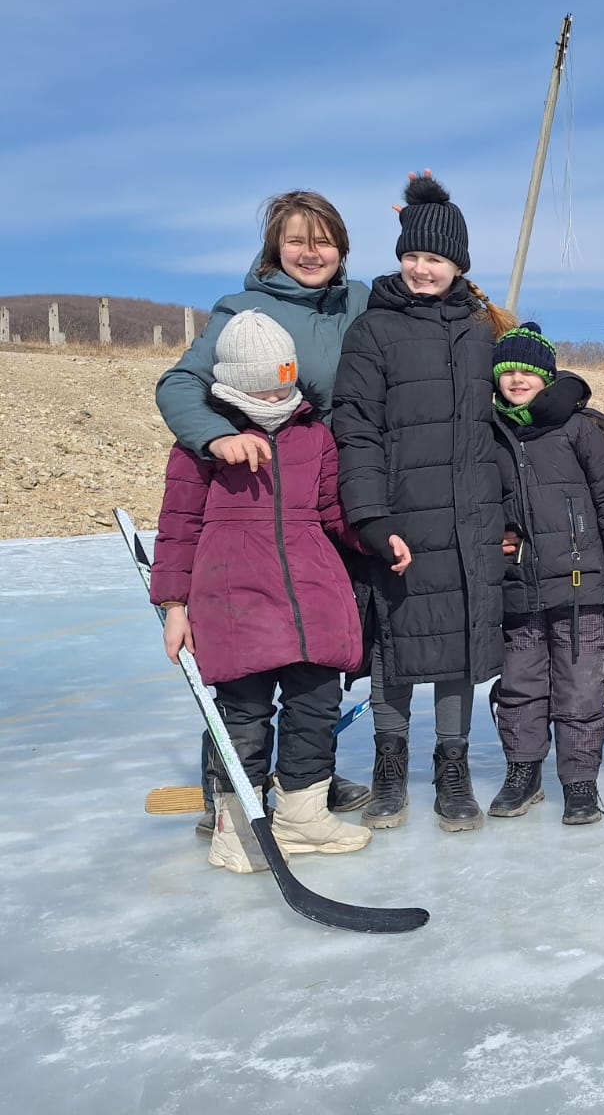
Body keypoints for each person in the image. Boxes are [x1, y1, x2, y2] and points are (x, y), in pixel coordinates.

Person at [154, 190, 372, 831]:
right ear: (275, 248)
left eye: (323, 240)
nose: (311, 252)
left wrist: (422, 221)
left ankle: (304, 782)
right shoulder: (244, 311)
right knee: (247, 668)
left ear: (342, 248)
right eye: (296, 240)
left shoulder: (361, 301)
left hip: (329, 491)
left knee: (316, 661)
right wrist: (215, 438)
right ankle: (231, 799)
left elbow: (429, 302)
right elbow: (179, 384)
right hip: (258, 487)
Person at [333, 173, 514, 833]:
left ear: (458, 263)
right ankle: (390, 765)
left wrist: (512, 518)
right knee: (398, 645)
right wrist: (371, 518)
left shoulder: (484, 332)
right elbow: (354, 429)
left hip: (471, 518)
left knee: (457, 644)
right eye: (411, 255)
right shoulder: (373, 331)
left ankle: (452, 767)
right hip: (403, 517)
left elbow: (513, 423)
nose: (421, 268)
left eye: (434, 257)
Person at [488, 323, 604, 826]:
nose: (517, 380)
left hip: (580, 587)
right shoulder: (493, 431)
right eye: (507, 371)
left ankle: (579, 782)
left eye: (527, 372)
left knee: (580, 688)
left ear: (547, 378)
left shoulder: (580, 430)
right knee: (520, 686)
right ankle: (523, 772)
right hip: (518, 585)